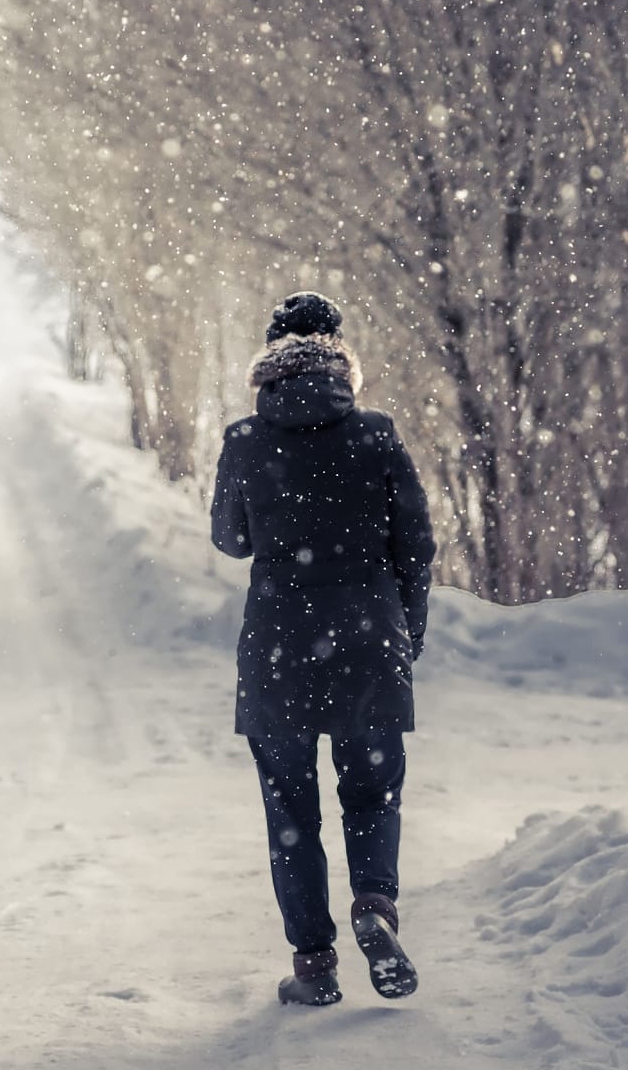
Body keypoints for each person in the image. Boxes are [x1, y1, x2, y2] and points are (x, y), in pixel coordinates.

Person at [210, 291, 436, 1007]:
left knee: (290, 811)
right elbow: (417, 547)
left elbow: (231, 539)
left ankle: (315, 965)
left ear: (268, 360)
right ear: (343, 359)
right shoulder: (377, 435)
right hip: (369, 640)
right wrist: (408, 632)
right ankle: (374, 903)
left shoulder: (245, 441)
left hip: (279, 645)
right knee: (371, 794)